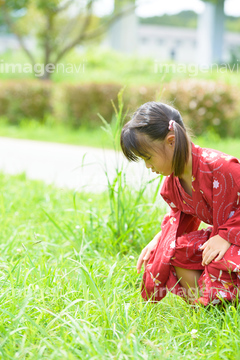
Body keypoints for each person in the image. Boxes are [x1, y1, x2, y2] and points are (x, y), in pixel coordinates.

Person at [120, 101, 240, 306]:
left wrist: (226, 236)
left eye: (148, 158)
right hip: (224, 236)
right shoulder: (173, 183)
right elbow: (177, 220)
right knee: (174, 250)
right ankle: (204, 309)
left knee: (220, 259)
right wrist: (159, 240)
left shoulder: (220, 167)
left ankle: (226, 305)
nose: (148, 167)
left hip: (234, 237)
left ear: (171, 141)